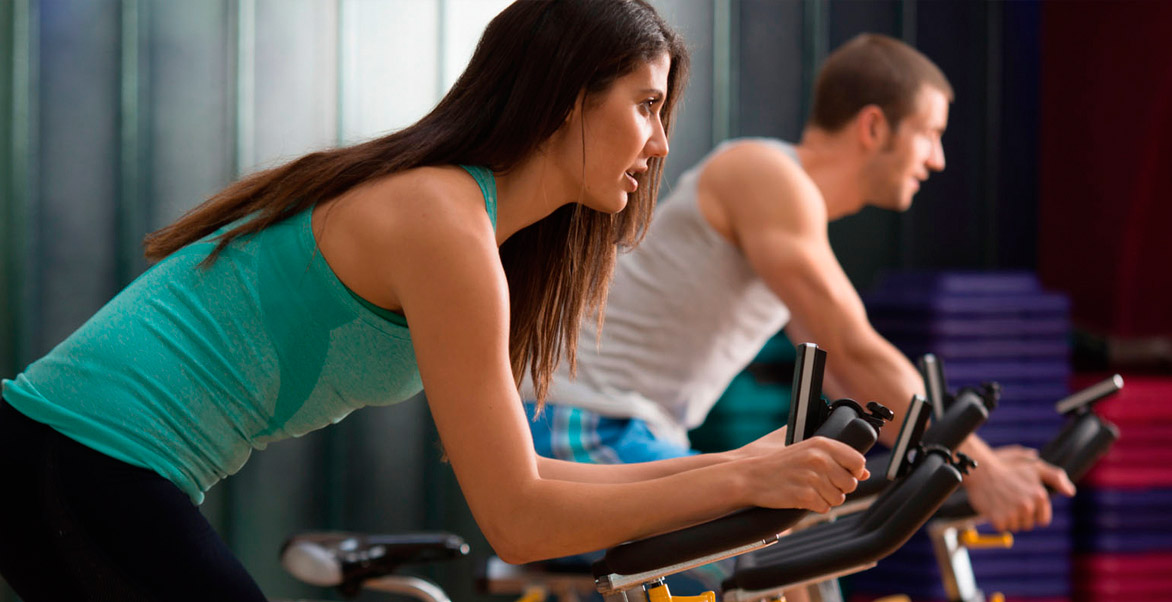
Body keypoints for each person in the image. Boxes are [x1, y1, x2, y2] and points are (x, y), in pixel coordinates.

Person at [0, 2, 873, 601]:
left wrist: (739, 470)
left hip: (87, 465)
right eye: (646, 103)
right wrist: (738, 479)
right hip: (79, 459)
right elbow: (521, 520)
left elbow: (523, 480)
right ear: (572, 97)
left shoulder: (474, 232)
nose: (660, 139)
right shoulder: (442, 224)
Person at [524, 32, 1076, 545]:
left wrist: (969, 465)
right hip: (582, 423)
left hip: (624, 427)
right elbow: (856, 348)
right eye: (930, 134)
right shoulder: (767, 174)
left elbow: (852, 384)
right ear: (874, 127)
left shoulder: (788, 211)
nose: (938, 159)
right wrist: (980, 468)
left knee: (793, 555)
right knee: (763, 565)